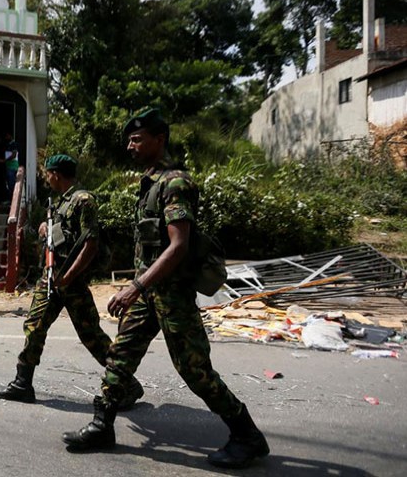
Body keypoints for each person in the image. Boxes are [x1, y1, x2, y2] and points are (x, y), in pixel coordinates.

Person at [62, 109, 270, 470]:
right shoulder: (150, 183)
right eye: (128, 139)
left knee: (194, 369)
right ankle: (102, 424)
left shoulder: (175, 183)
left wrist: (134, 287)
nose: (130, 145)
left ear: (160, 140)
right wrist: (139, 289)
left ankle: (247, 435)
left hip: (170, 293)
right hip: (149, 293)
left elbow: (179, 246)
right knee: (120, 356)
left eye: (137, 139)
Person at [0, 153, 144, 411]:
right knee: (34, 326)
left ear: (56, 173)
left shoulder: (82, 200)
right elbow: (58, 238)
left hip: (70, 281)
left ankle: (126, 383)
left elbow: (91, 243)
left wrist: (70, 276)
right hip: (51, 279)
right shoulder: (60, 204)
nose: (46, 178)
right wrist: (44, 228)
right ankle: (22, 382)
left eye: (48, 173)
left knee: (91, 336)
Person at [3, 132, 20, 197]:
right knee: (9, 184)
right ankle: (10, 198)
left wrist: (4, 160)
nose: (6, 138)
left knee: (12, 184)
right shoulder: (8, 144)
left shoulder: (13, 144)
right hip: (9, 166)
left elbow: (14, 155)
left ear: (10, 136)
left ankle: (13, 198)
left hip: (13, 167)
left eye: (7, 136)